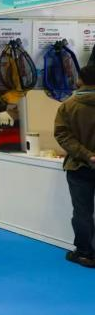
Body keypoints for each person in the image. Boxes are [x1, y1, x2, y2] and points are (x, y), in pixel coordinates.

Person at [53, 65, 95, 268]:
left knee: (82, 212)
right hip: (82, 166)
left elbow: (62, 135)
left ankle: (85, 253)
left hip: (79, 167)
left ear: (81, 80)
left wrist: (88, 155)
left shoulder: (68, 106)